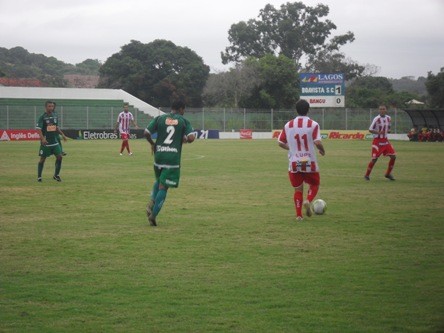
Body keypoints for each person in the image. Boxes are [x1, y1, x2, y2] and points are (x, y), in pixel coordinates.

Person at [144, 100, 196, 226]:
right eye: (184, 109)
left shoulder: (160, 118)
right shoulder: (183, 121)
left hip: (159, 156)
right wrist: (184, 139)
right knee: (164, 187)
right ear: (181, 109)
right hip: (172, 159)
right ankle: (153, 216)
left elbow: (146, 133)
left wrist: (152, 144)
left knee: (159, 180)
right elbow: (191, 138)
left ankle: (151, 201)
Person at [278, 99, 325, 221]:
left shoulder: (288, 125)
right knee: (315, 184)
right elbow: (317, 142)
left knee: (298, 189)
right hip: (309, 161)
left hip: (294, 162)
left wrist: (291, 148)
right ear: (308, 110)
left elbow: (280, 142)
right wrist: (322, 150)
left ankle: (299, 215)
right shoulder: (313, 124)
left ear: (296, 110)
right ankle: (308, 201)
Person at [36, 100, 68, 182]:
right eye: (49, 106)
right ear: (46, 107)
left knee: (60, 157)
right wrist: (42, 139)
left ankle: (56, 175)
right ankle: (39, 176)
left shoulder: (55, 115)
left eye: (52, 106)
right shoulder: (42, 117)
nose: (51, 108)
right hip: (46, 142)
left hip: (55, 142)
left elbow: (56, 127)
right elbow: (38, 129)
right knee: (42, 159)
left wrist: (62, 135)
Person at [364, 105, 396, 181]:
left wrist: (388, 130)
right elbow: (370, 129)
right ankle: (367, 175)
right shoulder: (376, 119)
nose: (382, 110)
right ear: (379, 110)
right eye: (380, 109)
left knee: (393, 157)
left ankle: (388, 174)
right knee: (375, 159)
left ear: (386, 110)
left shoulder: (388, 118)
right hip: (377, 141)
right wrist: (378, 132)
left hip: (385, 141)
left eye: (383, 109)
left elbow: (388, 127)